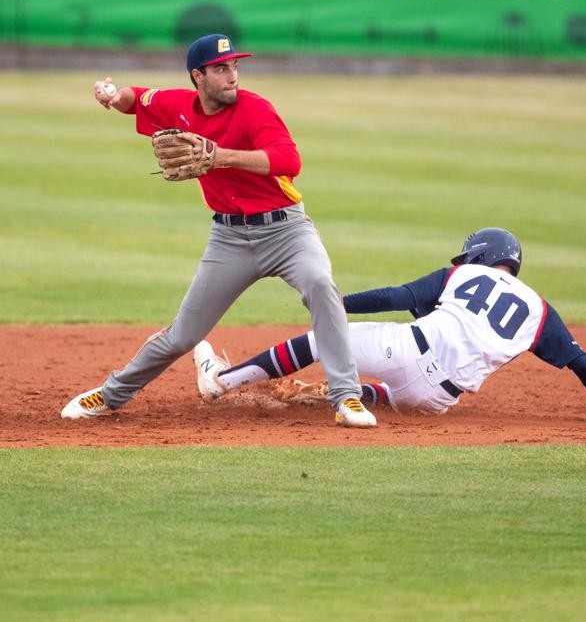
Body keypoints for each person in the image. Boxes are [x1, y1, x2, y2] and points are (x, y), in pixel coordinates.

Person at [61, 33, 375, 428]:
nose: (232, 76)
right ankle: (110, 394)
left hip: (287, 231)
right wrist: (111, 95)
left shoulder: (255, 109)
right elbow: (137, 98)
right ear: (199, 76)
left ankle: (347, 397)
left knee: (320, 284)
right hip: (229, 239)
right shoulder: (178, 105)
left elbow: (288, 159)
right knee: (183, 334)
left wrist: (219, 156)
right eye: (221, 68)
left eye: (235, 66)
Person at [193, 227, 586, 422]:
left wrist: (339, 304)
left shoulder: (462, 273)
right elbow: (580, 363)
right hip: (438, 400)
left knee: (323, 339)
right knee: (396, 392)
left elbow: (400, 297)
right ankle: (352, 394)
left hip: (407, 348)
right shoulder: (541, 310)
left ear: (480, 257)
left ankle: (220, 381)